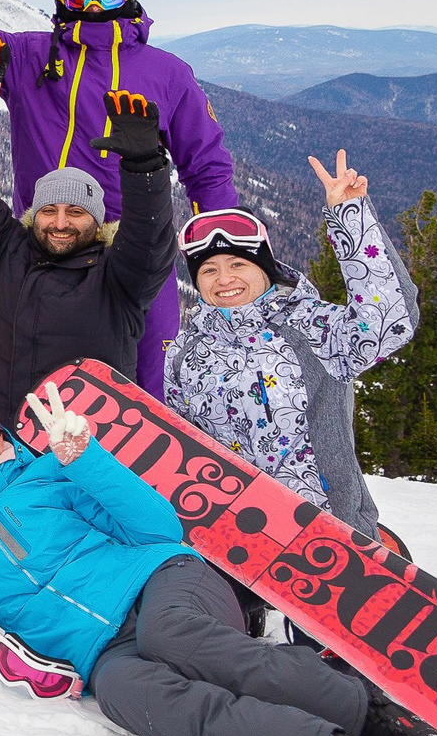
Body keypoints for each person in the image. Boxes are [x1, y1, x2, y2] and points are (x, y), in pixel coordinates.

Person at [0, 382, 437, 736]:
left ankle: (376, 719)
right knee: (128, 695)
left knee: (173, 636)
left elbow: (159, 528)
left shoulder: (50, 472)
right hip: (99, 651)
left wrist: (87, 462)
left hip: (162, 580)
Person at [0, 0, 240, 397]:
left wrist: (224, 248)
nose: (91, 6)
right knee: (36, 374)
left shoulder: (164, 73)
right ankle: (37, 465)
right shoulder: (29, 56)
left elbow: (205, 166)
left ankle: (149, 467)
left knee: (150, 376)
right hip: (48, 243)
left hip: (136, 249)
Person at [166, 152, 418, 542]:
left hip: (325, 529)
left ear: (264, 270)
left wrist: (351, 215)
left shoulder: (309, 326)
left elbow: (390, 320)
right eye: (209, 270)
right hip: (231, 533)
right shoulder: (186, 351)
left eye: (237, 264)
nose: (224, 279)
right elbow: (184, 445)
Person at [0, 49, 177, 416]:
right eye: (49, 211)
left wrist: (144, 165)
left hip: (89, 445)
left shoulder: (121, 276)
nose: (60, 223)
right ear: (34, 214)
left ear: (97, 222)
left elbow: (151, 237)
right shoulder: (10, 249)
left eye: (76, 212)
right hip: (2, 434)